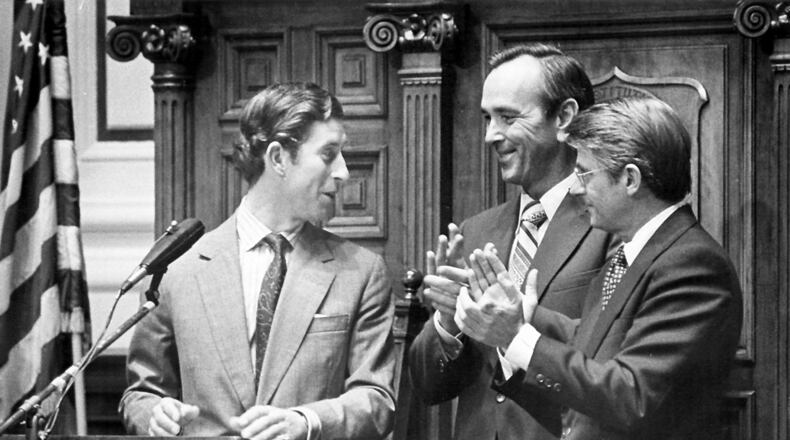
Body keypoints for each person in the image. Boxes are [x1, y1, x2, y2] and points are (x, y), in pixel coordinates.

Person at [120, 82, 396, 440]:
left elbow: (377, 400)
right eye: (329, 154)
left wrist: (306, 421)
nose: (343, 172)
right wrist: (153, 414)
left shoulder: (360, 272)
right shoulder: (179, 268)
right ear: (279, 158)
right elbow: (140, 394)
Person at [457, 97, 743, 440]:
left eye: (584, 173)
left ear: (631, 179)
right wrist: (519, 316)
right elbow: (589, 355)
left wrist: (516, 336)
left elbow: (631, 396)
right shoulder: (629, 255)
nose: (575, 187)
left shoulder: (692, 265)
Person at [408, 43, 616, 440]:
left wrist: (518, 327)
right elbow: (426, 385)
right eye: (487, 118)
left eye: (507, 117)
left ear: (565, 118)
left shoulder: (611, 226)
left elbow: (613, 361)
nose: (490, 135)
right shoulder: (475, 233)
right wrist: (448, 323)